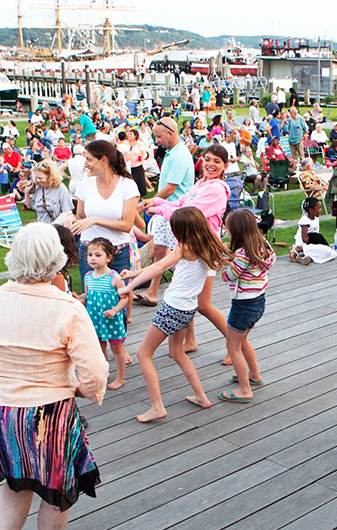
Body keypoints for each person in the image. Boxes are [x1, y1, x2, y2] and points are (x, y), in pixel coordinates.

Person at [0, 223, 107, 530]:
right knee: (55, 490)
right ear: (57, 261)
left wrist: (3, 382)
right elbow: (95, 373)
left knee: (15, 486)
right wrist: (79, 389)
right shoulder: (67, 307)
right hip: (47, 415)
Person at [119, 207, 231, 422]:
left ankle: (157, 407)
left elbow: (158, 266)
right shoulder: (204, 248)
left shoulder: (184, 248)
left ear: (181, 230)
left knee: (144, 354)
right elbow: (159, 266)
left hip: (172, 308)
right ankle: (201, 396)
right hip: (187, 309)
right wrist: (134, 272)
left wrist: (128, 287)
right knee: (177, 352)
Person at [141, 146, 231, 354]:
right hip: (190, 247)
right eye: (207, 159)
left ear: (225, 166)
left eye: (217, 161)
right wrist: (155, 200)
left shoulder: (217, 189)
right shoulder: (200, 184)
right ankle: (189, 340)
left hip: (205, 251)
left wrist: (159, 209)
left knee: (204, 305)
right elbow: (181, 202)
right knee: (189, 297)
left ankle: (235, 345)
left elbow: (191, 212)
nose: (210, 164)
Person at [220, 209, 275, 403]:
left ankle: (244, 389)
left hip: (243, 305)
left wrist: (224, 264)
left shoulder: (242, 254)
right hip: (258, 301)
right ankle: (254, 375)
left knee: (232, 346)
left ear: (236, 230)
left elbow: (229, 275)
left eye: (227, 227)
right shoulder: (262, 245)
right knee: (242, 342)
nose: (225, 230)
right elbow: (272, 260)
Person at [141, 117, 195, 305]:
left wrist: (152, 201)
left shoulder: (179, 155)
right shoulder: (174, 152)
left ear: (170, 134)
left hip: (174, 212)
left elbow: (171, 188)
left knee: (176, 253)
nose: (156, 141)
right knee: (160, 249)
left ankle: (180, 291)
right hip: (167, 210)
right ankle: (152, 291)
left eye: (158, 136)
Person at [70, 140, 139, 279]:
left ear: (103, 160)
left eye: (89, 159)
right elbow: (80, 217)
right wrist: (73, 222)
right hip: (90, 252)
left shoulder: (127, 185)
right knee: (92, 297)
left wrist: (95, 220)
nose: (85, 165)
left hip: (117, 252)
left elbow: (127, 225)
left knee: (120, 296)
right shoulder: (85, 185)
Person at [79, 238, 129, 389]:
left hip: (111, 320)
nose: (92, 258)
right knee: (100, 347)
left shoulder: (114, 277)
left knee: (117, 348)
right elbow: (87, 295)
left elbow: (125, 298)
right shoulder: (88, 276)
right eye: (90, 255)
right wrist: (78, 298)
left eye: (97, 255)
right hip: (95, 320)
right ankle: (104, 371)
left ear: (108, 257)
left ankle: (121, 377)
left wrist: (115, 310)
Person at [29, 160, 74, 224]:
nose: (38, 180)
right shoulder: (39, 188)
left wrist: (54, 225)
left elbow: (67, 212)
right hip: (42, 228)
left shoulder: (60, 188)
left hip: (57, 228)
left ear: (50, 177)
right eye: (36, 178)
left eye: (40, 178)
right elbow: (30, 206)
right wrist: (26, 192)